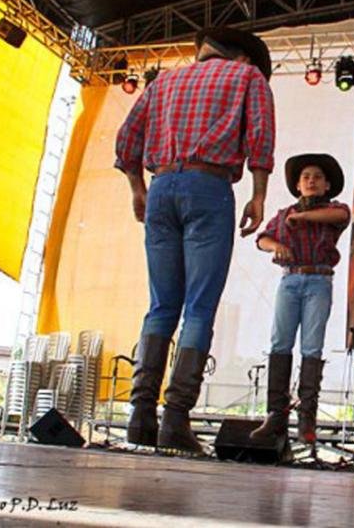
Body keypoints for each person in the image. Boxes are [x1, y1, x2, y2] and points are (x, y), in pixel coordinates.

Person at [115, 27, 275, 453]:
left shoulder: (163, 80)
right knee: (199, 307)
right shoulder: (247, 78)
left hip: (161, 187)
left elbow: (127, 139)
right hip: (209, 187)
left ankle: (140, 415)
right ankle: (175, 419)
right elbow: (259, 138)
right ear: (243, 58)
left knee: (161, 305)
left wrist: (138, 188)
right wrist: (258, 196)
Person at [250, 154, 350, 445]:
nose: (311, 181)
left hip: (319, 279)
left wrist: (301, 217)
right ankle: (276, 415)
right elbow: (261, 239)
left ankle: (307, 418)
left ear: (327, 185)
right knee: (280, 342)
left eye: (317, 177)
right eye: (306, 177)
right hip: (290, 279)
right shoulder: (283, 214)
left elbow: (340, 217)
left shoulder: (335, 208)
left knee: (311, 345)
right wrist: (276, 246)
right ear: (297, 184)